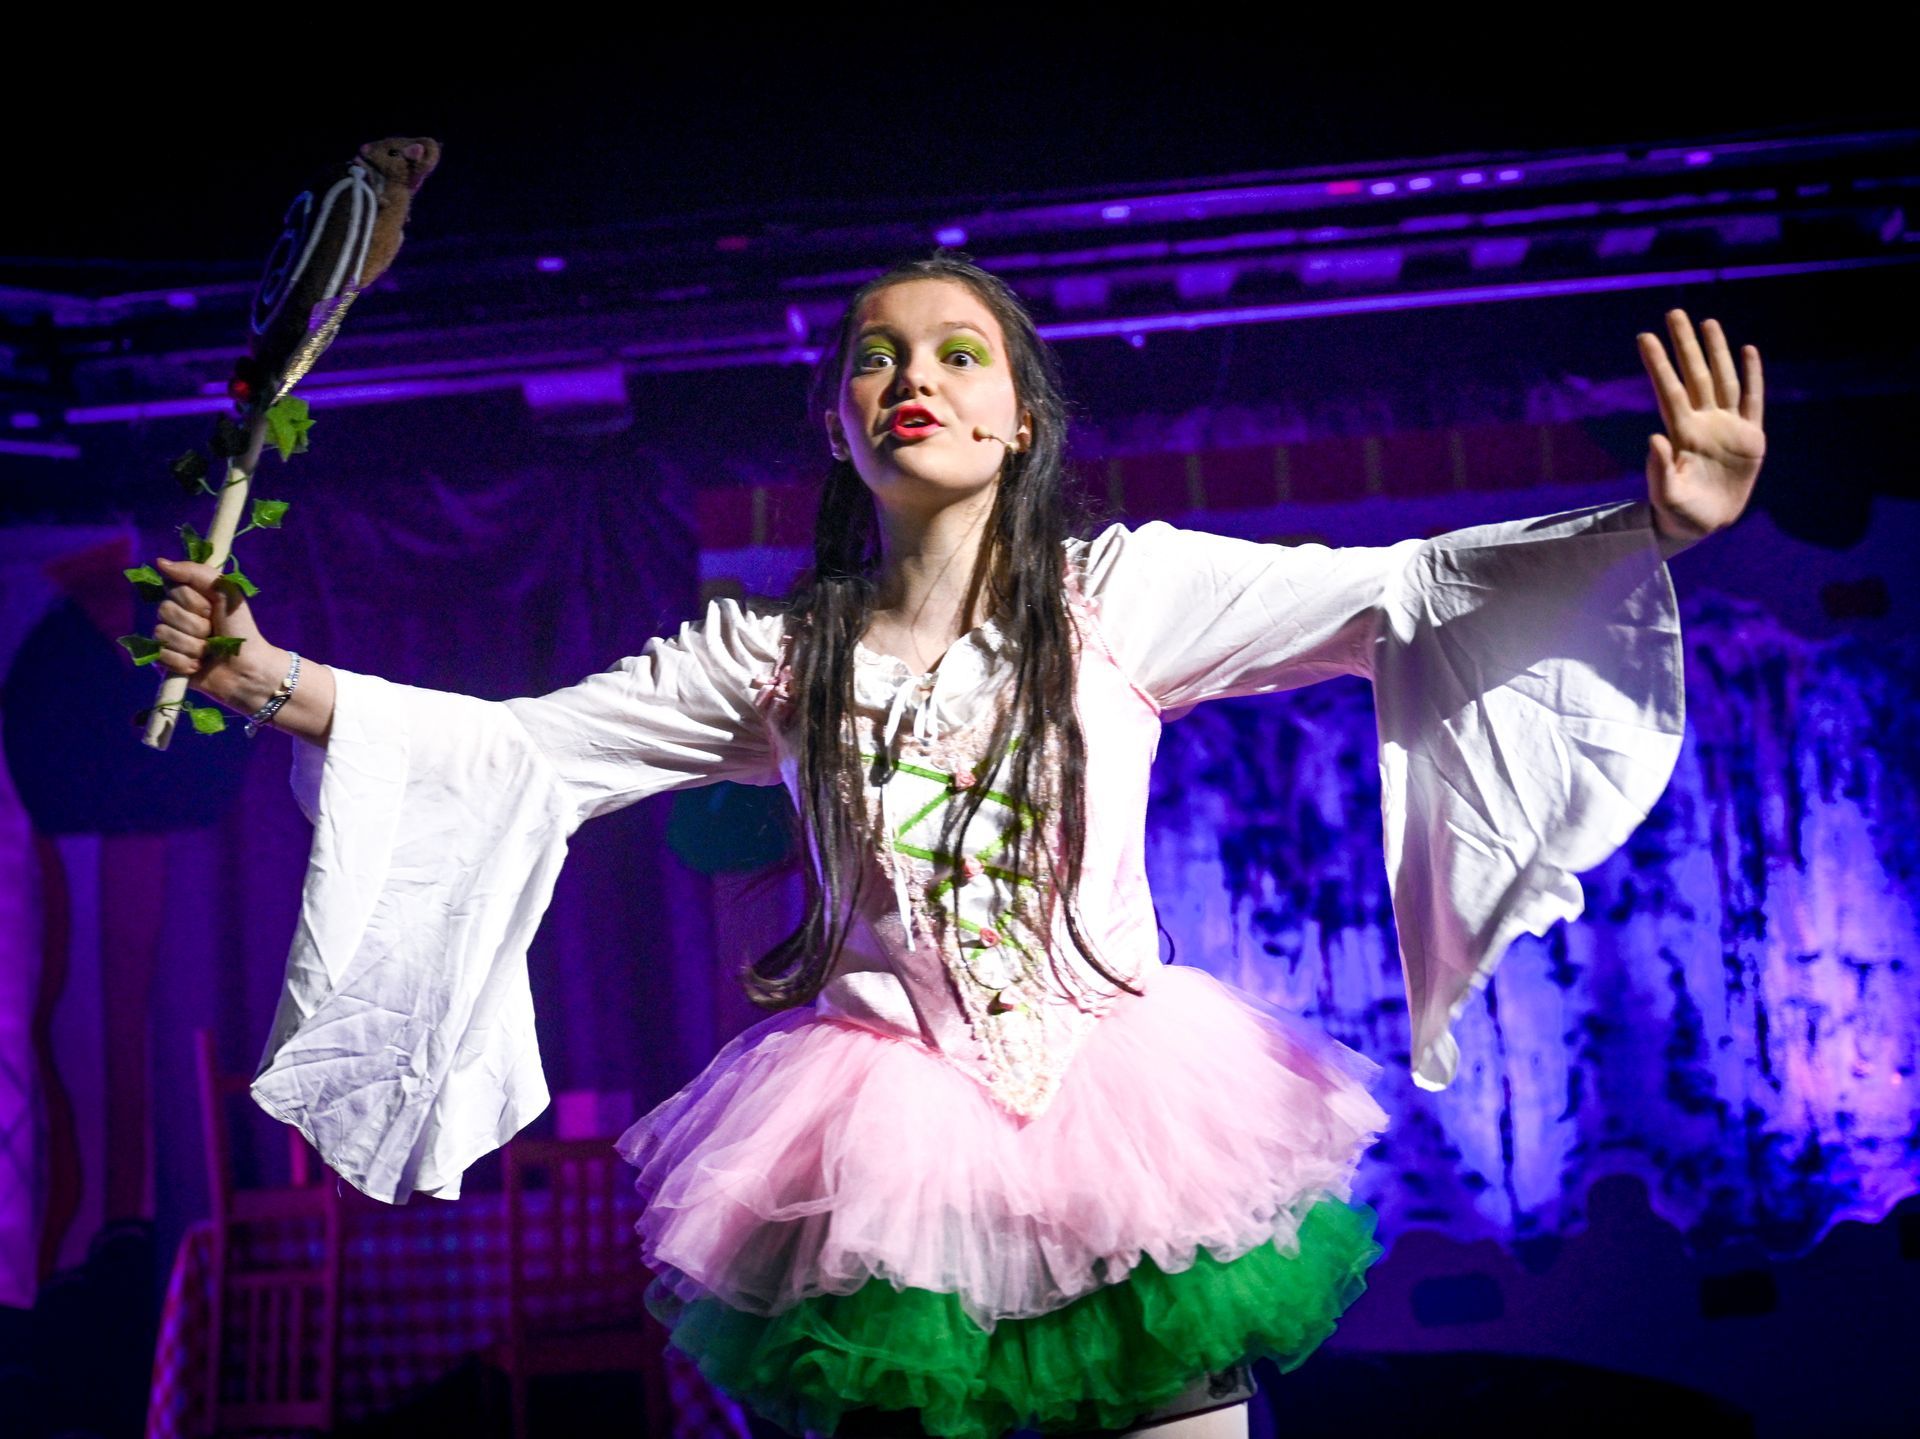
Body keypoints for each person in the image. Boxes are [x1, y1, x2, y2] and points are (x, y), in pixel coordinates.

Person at [144, 252, 1764, 1439]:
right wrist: (262, 674)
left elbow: (1399, 592)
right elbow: (524, 750)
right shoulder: (775, 659)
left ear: (1017, 421)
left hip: (1132, 1142)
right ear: (839, 422)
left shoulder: (1119, 597)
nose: (912, 375)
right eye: (876, 357)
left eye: (957, 353)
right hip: (883, 1171)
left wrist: (1648, 528)